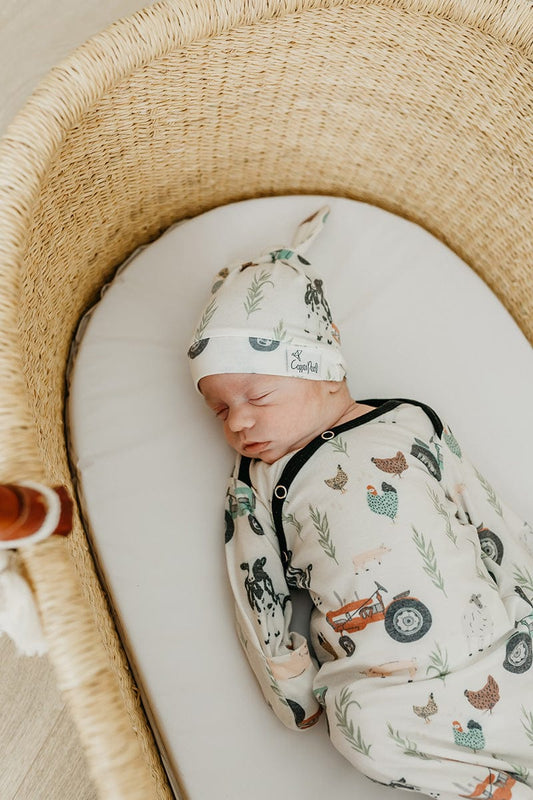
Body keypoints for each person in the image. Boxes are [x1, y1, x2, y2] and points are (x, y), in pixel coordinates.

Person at [187, 207, 533, 799]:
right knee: (359, 733)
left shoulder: (408, 420)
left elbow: (479, 508)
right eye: (219, 409)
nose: (239, 422)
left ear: (320, 365)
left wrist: (522, 587)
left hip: (494, 642)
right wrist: (291, 686)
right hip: (383, 685)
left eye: (257, 394)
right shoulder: (261, 479)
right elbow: (256, 585)